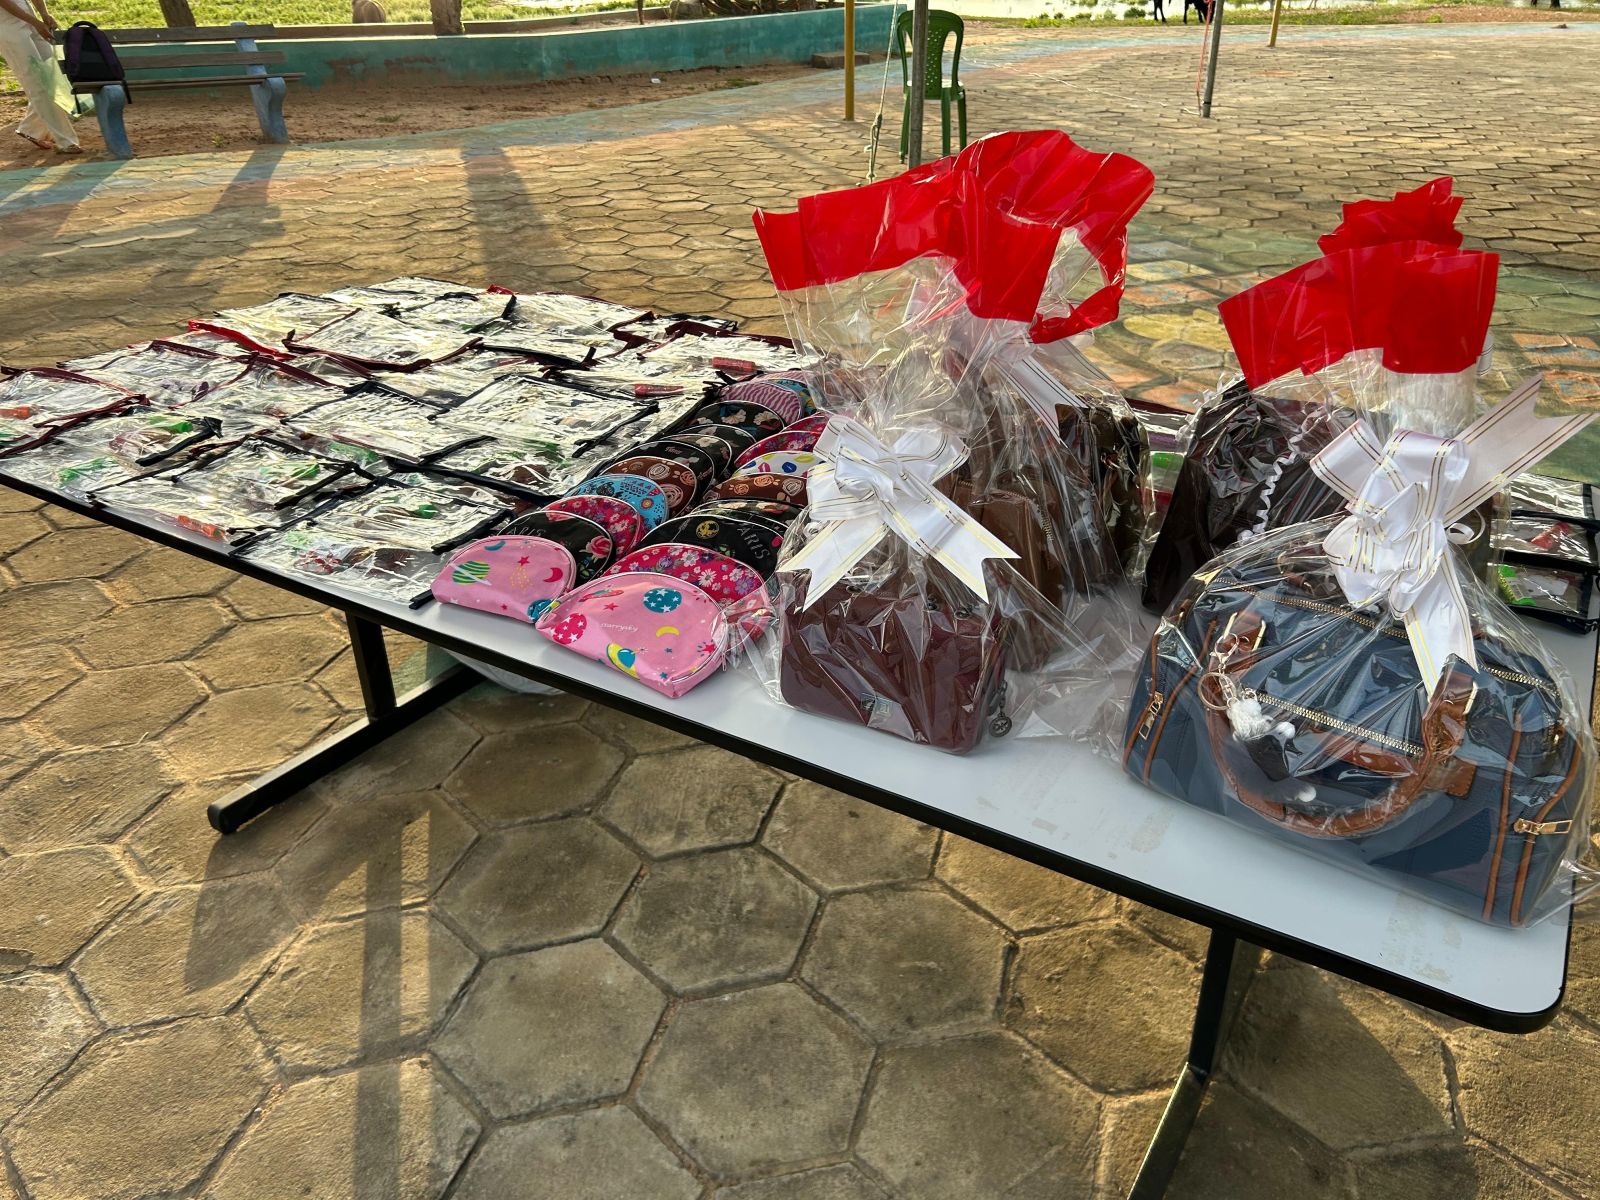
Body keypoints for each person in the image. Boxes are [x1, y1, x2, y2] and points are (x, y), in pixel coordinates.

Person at [0, 0, 81, 154]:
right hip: (8, 28)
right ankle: (66, 141)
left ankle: (31, 129)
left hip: (31, 21)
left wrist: (43, 14)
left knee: (52, 78)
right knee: (36, 84)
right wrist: (35, 22)